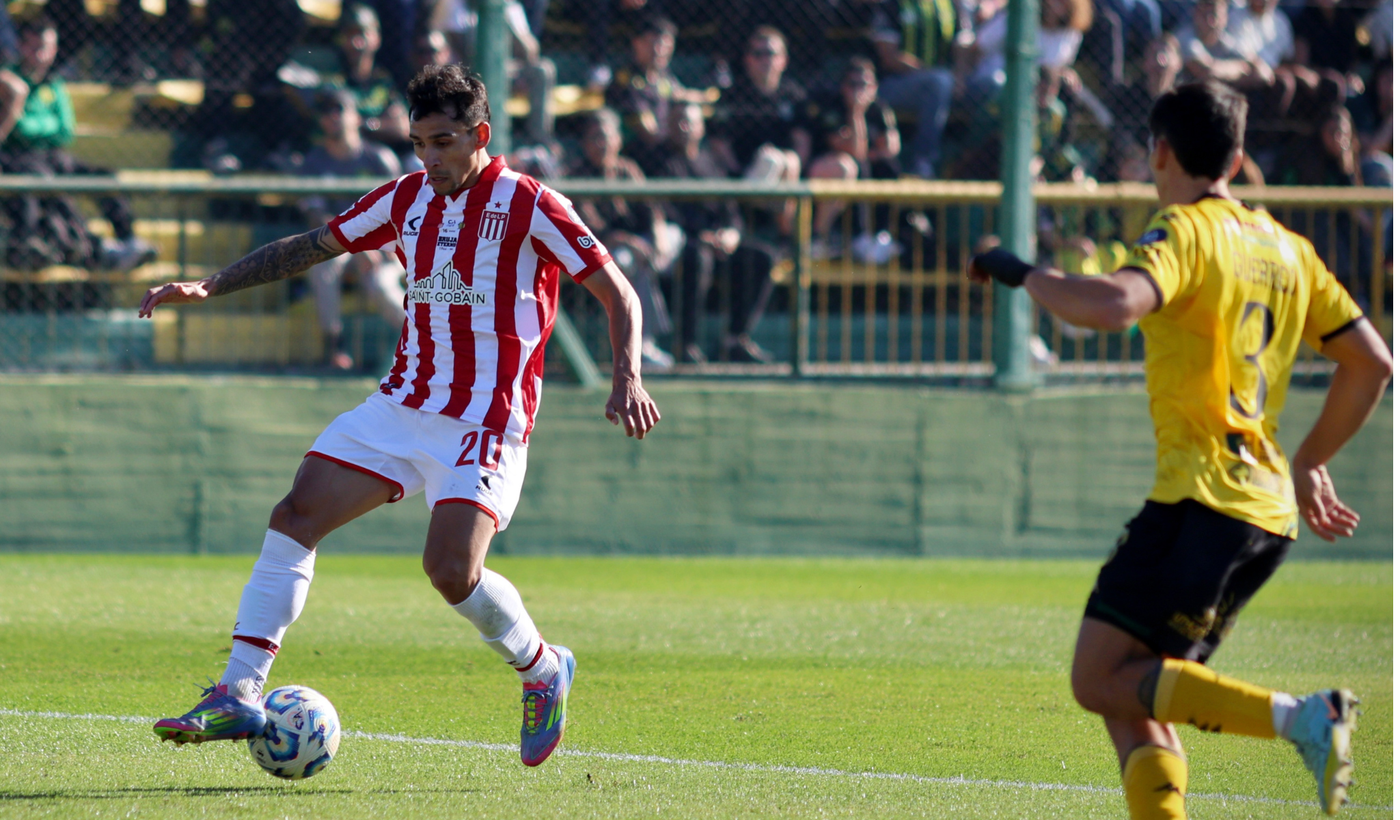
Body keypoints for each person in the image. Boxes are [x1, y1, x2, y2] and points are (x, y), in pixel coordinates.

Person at [139, 63, 661, 768]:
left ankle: (541, 668)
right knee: (295, 516)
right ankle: (238, 690)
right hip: (401, 403)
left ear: (479, 134)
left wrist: (625, 374)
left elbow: (617, 292)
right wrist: (212, 285)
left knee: (449, 571)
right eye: (419, 143)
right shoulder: (406, 197)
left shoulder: (530, 203)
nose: (430, 157)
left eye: (443, 142)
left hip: (485, 421)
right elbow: (312, 245)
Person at [969, 80, 1391, 818]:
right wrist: (1310, 461)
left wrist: (1025, 273)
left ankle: (1304, 719)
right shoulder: (1290, 250)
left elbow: (1113, 305)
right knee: (1134, 691)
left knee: (1099, 678)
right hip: (1261, 513)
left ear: (1160, 151)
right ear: (1236, 154)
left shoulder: (1187, 231)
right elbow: (1373, 364)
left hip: (1203, 500)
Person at [0, 16, 157, 270]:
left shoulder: (54, 83)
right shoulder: (9, 81)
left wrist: (34, 128)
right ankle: (95, 248)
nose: (40, 55)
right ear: (20, 46)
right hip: (19, 157)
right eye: (33, 47)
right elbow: (18, 130)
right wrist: (41, 128)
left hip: (52, 154)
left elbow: (64, 131)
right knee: (47, 183)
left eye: (46, 48)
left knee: (104, 176)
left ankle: (127, 238)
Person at [656, 101, 778, 364]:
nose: (684, 126)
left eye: (691, 121)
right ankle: (686, 344)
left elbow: (729, 208)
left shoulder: (711, 160)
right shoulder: (659, 160)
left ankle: (735, 339)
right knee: (698, 258)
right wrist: (701, 236)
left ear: (702, 127)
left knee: (762, 257)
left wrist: (732, 233)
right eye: (678, 120)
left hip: (719, 243)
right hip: (683, 245)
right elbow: (661, 210)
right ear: (667, 125)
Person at [296, 89, 404, 370]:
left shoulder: (380, 159)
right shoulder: (313, 163)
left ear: (356, 117)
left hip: (383, 248)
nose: (332, 117)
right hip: (340, 246)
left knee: (382, 285)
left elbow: (399, 216)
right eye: (326, 112)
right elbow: (315, 215)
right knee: (322, 267)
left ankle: (432, 346)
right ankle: (335, 347)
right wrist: (355, 245)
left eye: (339, 109)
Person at [567, 107, 677, 370]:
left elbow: (651, 211)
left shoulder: (627, 168)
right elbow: (591, 232)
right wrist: (631, 243)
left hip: (642, 245)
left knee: (675, 237)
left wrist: (658, 237)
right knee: (628, 262)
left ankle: (657, 340)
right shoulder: (577, 175)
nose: (601, 144)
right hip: (603, 251)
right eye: (594, 138)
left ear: (618, 140)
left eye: (606, 137)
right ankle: (642, 343)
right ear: (584, 143)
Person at [604, 15, 708, 176]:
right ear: (636, 43)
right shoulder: (626, 82)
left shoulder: (665, 78)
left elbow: (682, 95)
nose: (660, 51)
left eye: (667, 45)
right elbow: (649, 133)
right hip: (640, 155)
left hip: (668, 149)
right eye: (654, 43)